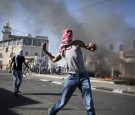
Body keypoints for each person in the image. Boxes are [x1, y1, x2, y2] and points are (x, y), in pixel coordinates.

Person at [42, 28, 97, 115]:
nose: (69, 34)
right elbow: (53, 59)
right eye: (67, 33)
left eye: (70, 33)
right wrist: (45, 51)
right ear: (63, 36)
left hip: (83, 77)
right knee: (63, 102)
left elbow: (90, 48)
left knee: (89, 104)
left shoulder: (76, 43)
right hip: (71, 77)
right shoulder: (62, 50)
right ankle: (51, 112)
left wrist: (93, 46)